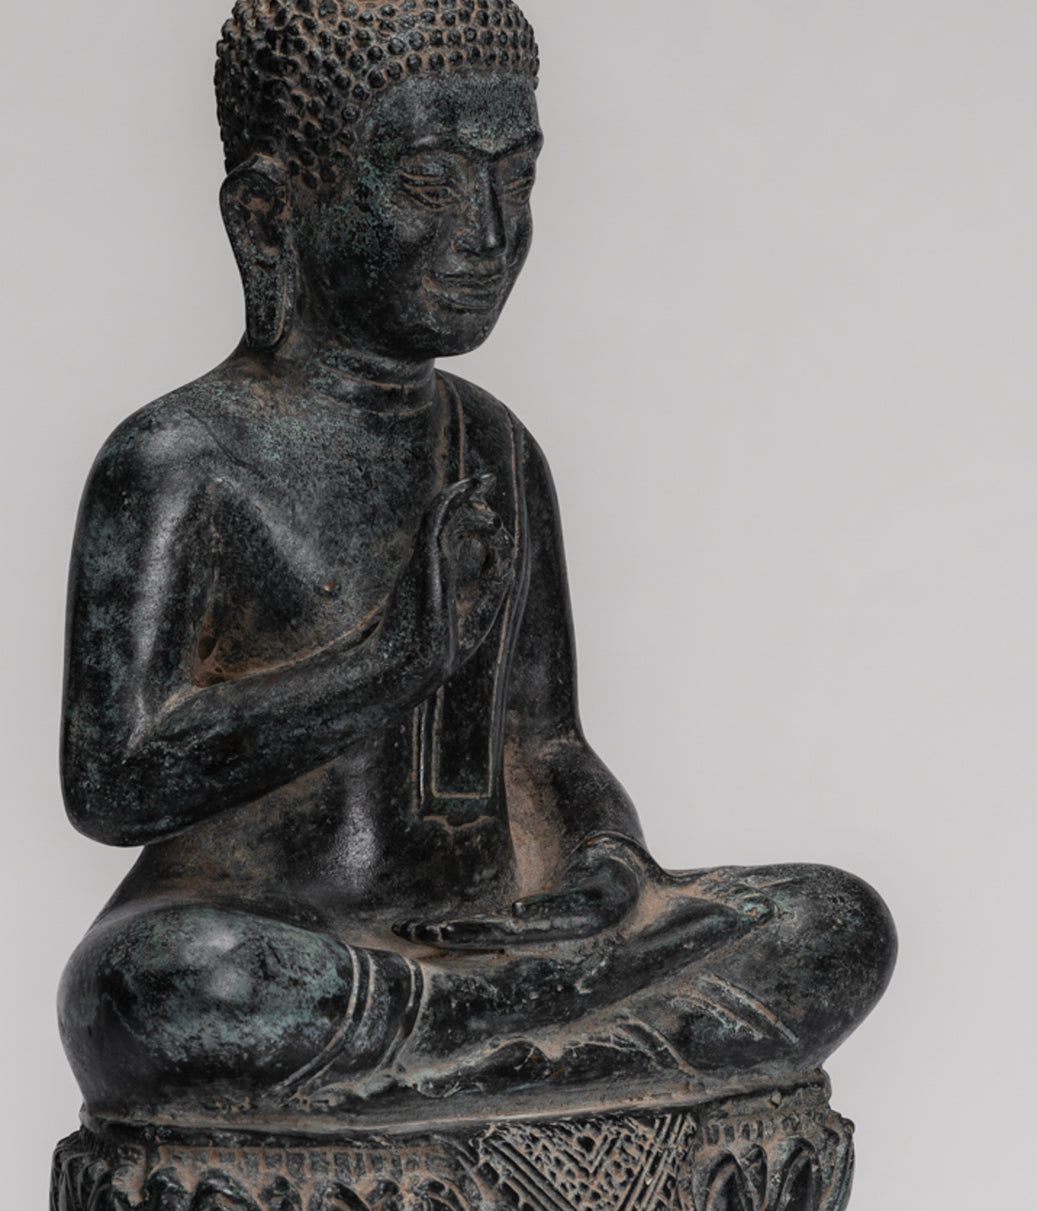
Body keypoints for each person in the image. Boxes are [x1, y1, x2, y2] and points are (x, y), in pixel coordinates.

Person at [58, 0, 896, 1126]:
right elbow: (115, 784)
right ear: (269, 215)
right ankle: (535, 1046)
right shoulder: (182, 458)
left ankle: (468, 1054)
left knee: (832, 922)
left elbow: (545, 745)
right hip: (280, 940)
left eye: (517, 178)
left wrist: (607, 862)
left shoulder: (493, 447)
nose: (489, 233)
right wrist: (391, 659)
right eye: (430, 183)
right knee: (167, 987)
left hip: (495, 936)